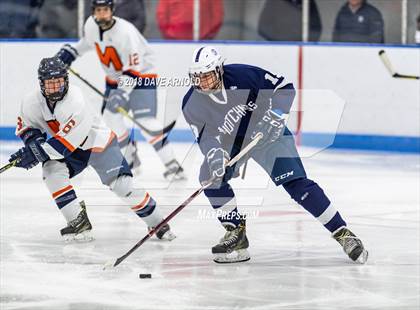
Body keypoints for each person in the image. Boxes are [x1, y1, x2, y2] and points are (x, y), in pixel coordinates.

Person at [182, 46, 368, 264]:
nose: (203, 83)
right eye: (198, 78)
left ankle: (343, 233)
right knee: (210, 178)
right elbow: (206, 138)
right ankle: (236, 232)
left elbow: (284, 87)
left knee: (297, 185)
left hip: (268, 133)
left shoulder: (244, 75)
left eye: (207, 76)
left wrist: (277, 114)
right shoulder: (191, 103)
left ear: (219, 70)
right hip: (232, 143)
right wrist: (215, 154)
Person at [8, 57, 175, 242]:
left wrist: (35, 153)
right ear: (41, 83)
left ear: (66, 80)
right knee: (51, 172)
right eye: (50, 83)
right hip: (68, 148)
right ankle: (78, 222)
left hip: (98, 144)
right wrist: (33, 143)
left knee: (122, 186)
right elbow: (27, 128)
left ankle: (158, 221)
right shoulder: (31, 102)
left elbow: (65, 143)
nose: (55, 88)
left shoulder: (76, 100)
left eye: (59, 82)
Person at [56, 0, 186, 180]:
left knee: (146, 120)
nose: (102, 14)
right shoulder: (91, 25)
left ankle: (172, 164)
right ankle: (131, 159)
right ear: (93, 11)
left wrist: (122, 92)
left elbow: (134, 68)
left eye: (105, 10)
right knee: (111, 120)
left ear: (112, 10)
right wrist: (70, 53)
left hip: (141, 76)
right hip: (115, 80)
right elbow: (88, 42)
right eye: (98, 10)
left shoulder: (126, 32)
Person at [258, 0, 322, 42]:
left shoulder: (308, 3)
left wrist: (307, 44)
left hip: (301, 45)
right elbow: (263, 26)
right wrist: (276, 43)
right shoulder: (274, 2)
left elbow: (316, 27)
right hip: (277, 48)